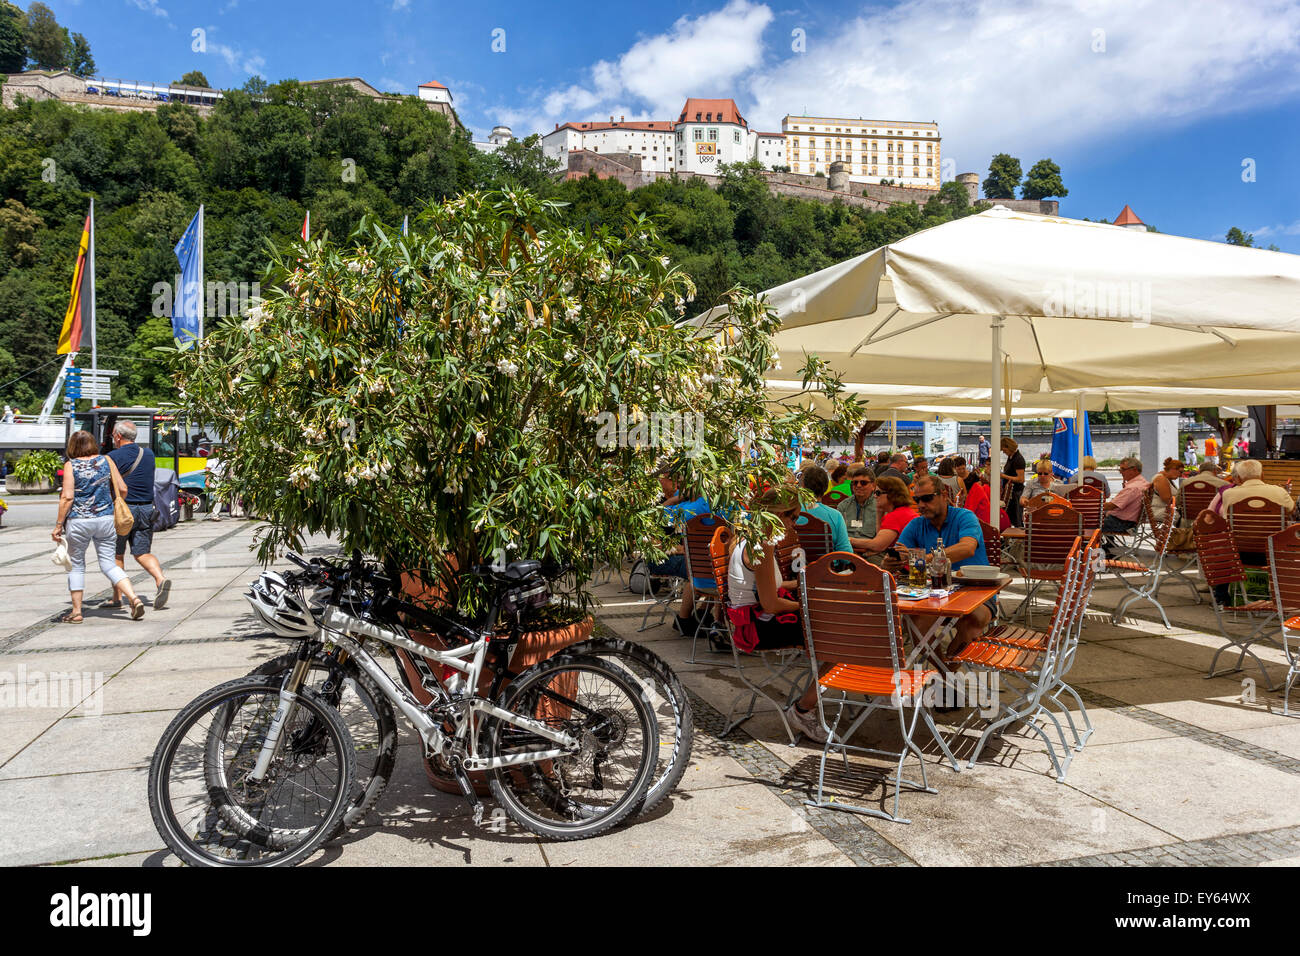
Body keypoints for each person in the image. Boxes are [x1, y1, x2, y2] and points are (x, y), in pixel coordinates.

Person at [724, 487, 826, 742]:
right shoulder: (762, 545)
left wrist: (810, 586)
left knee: (836, 629)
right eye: (794, 517)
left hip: (753, 620)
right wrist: (809, 606)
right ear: (779, 515)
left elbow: (768, 587)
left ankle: (809, 703)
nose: (795, 524)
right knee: (841, 639)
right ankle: (803, 709)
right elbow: (770, 603)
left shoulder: (748, 537)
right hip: (759, 628)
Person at [53, 430, 145, 623]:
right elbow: (123, 489)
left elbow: (68, 497)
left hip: (79, 521)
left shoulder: (71, 465)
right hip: (105, 520)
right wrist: (110, 504)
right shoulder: (107, 461)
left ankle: (77, 612)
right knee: (109, 564)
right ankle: (134, 598)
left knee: (76, 566)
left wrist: (58, 525)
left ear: (73, 446)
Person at [895, 474, 992, 657]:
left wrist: (928, 558)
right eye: (917, 500)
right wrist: (894, 560)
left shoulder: (965, 517)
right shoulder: (916, 524)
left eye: (927, 498)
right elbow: (902, 553)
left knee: (971, 624)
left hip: (975, 591)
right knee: (915, 625)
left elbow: (967, 548)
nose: (921, 504)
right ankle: (944, 674)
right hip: (935, 594)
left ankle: (947, 675)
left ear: (943, 495)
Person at [105, 421, 171, 610]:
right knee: (142, 552)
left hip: (123, 511)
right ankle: (160, 579)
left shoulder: (112, 457)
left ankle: (117, 597)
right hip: (147, 509)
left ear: (118, 436)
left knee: (117, 554)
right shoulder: (149, 454)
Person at [648, 469, 714, 638]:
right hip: (709, 563)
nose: (678, 486)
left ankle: (686, 618)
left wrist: (674, 499)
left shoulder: (687, 507)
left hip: (692, 563)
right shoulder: (717, 504)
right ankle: (703, 614)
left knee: (697, 569)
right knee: (711, 567)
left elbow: (653, 517)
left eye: (681, 483)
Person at [855, 475, 919, 558]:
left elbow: (877, 545)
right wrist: (879, 512)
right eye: (874, 493)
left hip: (904, 564)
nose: (874, 496)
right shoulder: (904, 511)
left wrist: (847, 540)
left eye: (878, 493)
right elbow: (881, 541)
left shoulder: (895, 516)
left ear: (892, 495)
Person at [1215, 458, 1297, 519]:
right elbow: (1293, 511)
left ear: (1239, 478)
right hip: (1274, 539)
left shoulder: (1228, 494)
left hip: (1239, 540)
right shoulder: (1280, 491)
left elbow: (1226, 518)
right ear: (1262, 475)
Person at [1101, 457, 1150, 557]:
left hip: (1122, 522)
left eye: (1123, 469)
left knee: (1086, 523)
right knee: (1092, 519)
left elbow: (1112, 506)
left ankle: (1100, 552)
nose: (1120, 472)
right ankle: (1102, 548)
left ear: (1134, 470)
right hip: (1127, 521)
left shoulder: (1133, 487)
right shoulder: (1143, 482)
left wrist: (1090, 505)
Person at [798, 465, 853, 554]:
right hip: (828, 566)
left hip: (798, 566)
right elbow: (846, 552)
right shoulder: (835, 515)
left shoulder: (792, 514)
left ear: (803, 486)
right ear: (826, 487)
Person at [837, 465, 881, 561]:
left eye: (863, 483)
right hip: (847, 551)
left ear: (873, 486)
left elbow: (881, 541)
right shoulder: (843, 506)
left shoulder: (880, 506)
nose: (858, 485)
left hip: (871, 553)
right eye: (855, 483)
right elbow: (838, 536)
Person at [1000, 437, 1027, 527]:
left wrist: (1003, 476)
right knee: (1012, 518)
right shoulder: (1011, 457)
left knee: (1017, 518)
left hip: (1016, 492)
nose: (1003, 452)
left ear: (1008, 447)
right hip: (1011, 492)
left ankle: (1018, 538)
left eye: (1004, 450)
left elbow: (1021, 479)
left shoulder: (1018, 459)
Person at [1148, 457, 1183, 524]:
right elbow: (1168, 500)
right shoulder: (1161, 479)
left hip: (1165, 510)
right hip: (1159, 511)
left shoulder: (1166, 479)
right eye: (1180, 472)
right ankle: (1184, 533)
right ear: (1173, 469)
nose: (1181, 475)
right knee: (1188, 517)